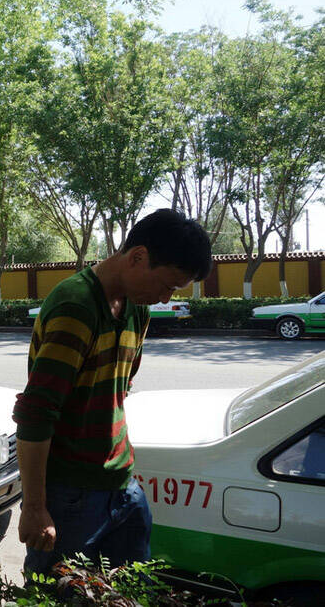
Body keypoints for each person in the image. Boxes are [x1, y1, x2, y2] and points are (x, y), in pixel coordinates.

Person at [12, 209, 212, 576]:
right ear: (138, 257)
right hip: (69, 495)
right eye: (167, 285)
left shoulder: (137, 309)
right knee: (61, 596)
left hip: (123, 484)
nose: (165, 298)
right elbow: (36, 414)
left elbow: (120, 388)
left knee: (128, 592)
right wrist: (35, 507)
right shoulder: (76, 306)